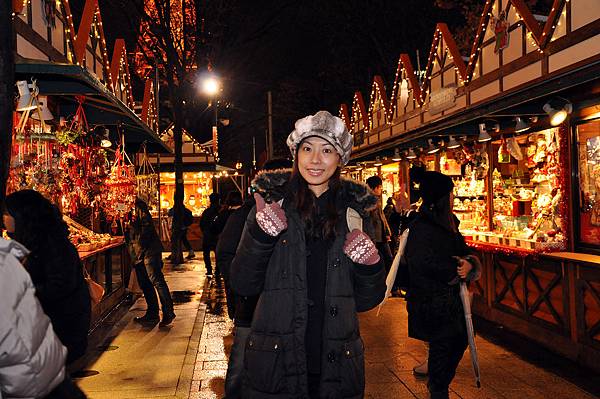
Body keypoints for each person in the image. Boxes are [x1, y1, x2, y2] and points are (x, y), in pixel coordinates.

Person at [230, 110, 386, 398]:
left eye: (327, 150)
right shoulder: (270, 209)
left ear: (341, 159)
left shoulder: (354, 215)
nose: (315, 160)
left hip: (336, 364)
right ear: (296, 154)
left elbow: (368, 301)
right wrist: (261, 236)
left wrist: (370, 266)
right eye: (307, 148)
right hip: (278, 362)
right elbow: (242, 284)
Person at [216, 158, 292, 399]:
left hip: (285, 313)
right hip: (251, 310)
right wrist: (243, 291)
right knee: (240, 367)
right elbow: (226, 255)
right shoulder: (247, 213)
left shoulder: (297, 212)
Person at [404, 165, 481, 399]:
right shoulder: (421, 226)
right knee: (443, 351)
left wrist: (469, 263)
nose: (453, 196)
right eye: (450, 192)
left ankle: (438, 386)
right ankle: (438, 390)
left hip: (451, 304)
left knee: (457, 344)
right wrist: (456, 269)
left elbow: (463, 249)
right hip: (432, 303)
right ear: (442, 196)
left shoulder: (450, 223)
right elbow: (420, 262)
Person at [4, 189, 91, 365]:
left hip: (58, 332)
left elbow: (59, 286)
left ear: (23, 215)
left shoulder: (53, 246)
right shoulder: (33, 242)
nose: (4, 218)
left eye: (7, 213)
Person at [128, 198, 176, 326]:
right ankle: (152, 313)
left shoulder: (138, 208)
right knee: (146, 284)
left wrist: (140, 249)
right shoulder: (129, 210)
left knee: (157, 281)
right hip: (140, 252)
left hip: (148, 251)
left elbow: (145, 230)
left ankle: (168, 312)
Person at [366, 175, 394, 274]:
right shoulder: (369, 201)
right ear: (376, 187)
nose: (381, 189)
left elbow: (381, 218)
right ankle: (388, 282)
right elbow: (377, 220)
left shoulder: (373, 199)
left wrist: (387, 232)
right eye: (380, 187)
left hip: (379, 237)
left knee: (385, 259)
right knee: (387, 259)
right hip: (376, 237)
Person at [199, 192, 221, 277]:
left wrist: (205, 232)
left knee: (206, 253)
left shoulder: (207, 211)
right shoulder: (220, 211)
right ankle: (217, 270)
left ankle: (209, 269)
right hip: (217, 236)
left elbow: (202, 224)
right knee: (218, 253)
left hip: (207, 235)